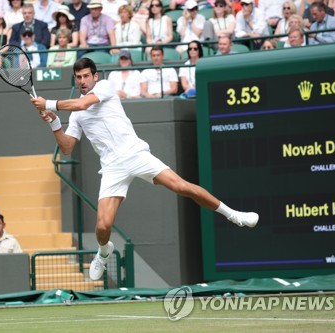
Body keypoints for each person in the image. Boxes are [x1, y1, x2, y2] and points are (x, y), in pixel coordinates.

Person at [30, 57, 259, 281]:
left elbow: (82, 103)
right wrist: (54, 123)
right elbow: (67, 147)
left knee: (182, 186)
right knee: (103, 226)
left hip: (135, 154)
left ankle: (234, 215)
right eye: (78, 77)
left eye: (85, 76)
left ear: (95, 76)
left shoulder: (104, 87)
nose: (82, 80)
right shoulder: (77, 115)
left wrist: (48, 103)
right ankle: (104, 250)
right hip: (111, 167)